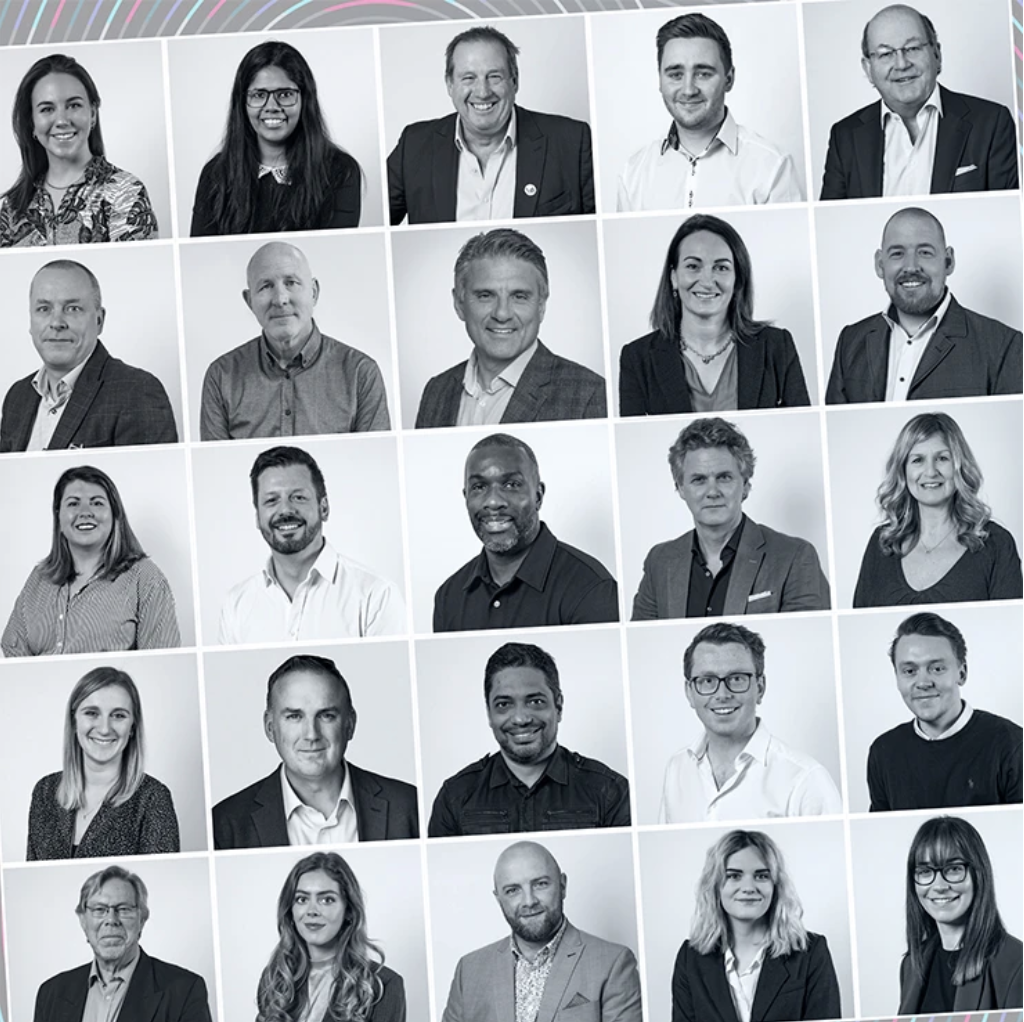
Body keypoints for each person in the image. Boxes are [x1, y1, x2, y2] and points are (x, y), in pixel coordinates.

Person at [387, 26, 594, 225]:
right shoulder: (413, 145)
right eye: (468, 78)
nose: (483, 91)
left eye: (494, 76)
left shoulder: (573, 143)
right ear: (450, 85)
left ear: (514, 82)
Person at [213, 654, 418, 849]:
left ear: (350, 724)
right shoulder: (225, 824)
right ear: (269, 728)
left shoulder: (409, 806)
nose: (311, 735)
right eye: (294, 716)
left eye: (326, 715)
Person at [632, 418, 830, 620]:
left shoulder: (795, 557)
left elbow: (802, 640)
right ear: (681, 488)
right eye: (699, 480)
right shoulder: (659, 561)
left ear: (745, 485)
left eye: (724, 477)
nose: (712, 492)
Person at [429, 642, 630, 836]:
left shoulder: (609, 791)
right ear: (489, 714)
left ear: (558, 706)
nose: (521, 719)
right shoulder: (455, 795)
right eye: (503, 704)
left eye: (535, 701)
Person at [820, 5, 1019, 200]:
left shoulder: (992, 122)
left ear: (937, 55)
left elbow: (1010, 216)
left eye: (913, 48)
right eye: (886, 54)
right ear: (868, 68)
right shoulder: (844, 136)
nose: (902, 64)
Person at [825, 208, 1022, 403]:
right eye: (897, 253)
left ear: (948, 261)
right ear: (879, 264)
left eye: (925, 252)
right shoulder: (850, 340)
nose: (911, 266)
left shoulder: (1004, 346)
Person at [415, 228, 606, 428]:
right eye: (485, 296)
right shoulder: (435, 390)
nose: (502, 314)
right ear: (459, 304)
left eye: (519, 297)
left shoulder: (589, 393)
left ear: (541, 305)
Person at [620, 215, 810, 415]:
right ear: (674, 277)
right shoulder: (637, 358)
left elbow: (803, 429)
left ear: (737, 279)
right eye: (693, 266)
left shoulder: (777, 346)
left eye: (721, 268)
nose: (708, 280)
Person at [200, 241, 389, 440]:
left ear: (314, 292)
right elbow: (217, 469)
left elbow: (372, 465)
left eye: (291, 283)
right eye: (265, 286)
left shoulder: (361, 374)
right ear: (249, 302)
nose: (280, 299)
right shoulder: (221, 376)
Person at [218, 446, 406, 644]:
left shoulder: (375, 596)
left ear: (323, 508)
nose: (285, 510)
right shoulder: (235, 604)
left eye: (298, 497)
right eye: (271, 500)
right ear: (257, 517)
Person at [433, 433, 619, 631]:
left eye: (511, 485)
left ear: (538, 496)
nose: (493, 502)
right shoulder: (448, 597)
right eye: (479, 487)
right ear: (466, 498)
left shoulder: (591, 588)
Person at [617, 14, 802, 213]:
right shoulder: (633, 172)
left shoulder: (773, 167)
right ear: (660, 80)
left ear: (729, 79)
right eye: (675, 75)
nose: (688, 90)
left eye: (703, 74)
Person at [441, 840, 642, 1022]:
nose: (529, 901)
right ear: (498, 898)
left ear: (563, 886)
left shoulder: (613, 963)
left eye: (540, 884)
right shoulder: (468, 970)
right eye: (513, 890)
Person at [661, 623, 841, 825]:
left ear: (760, 688)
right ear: (689, 692)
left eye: (736, 678)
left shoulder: (806, 780)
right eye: (708, 681)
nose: (722, 695)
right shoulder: (676, 769)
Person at [2, 465, 180, 657]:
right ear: (58, 517)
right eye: (73, 503)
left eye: (97, 503)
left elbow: (161, 663)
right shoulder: (39, 578)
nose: (85, 512)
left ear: (115, 515)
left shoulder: (145, 579)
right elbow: (12, 654)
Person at [1, 259, 177, 452]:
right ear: (31, 320)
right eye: (44, 309)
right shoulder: (17, 397)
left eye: (73, 309)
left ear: (99, 320)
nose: (56, 323)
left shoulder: (137, 391)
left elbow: (146, 481)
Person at [190, 40, 361, 236]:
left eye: (285, 94)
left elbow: (330, 255)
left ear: (305, 100)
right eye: (259, 95)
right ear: (243, 102)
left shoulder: (340, 171)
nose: (272, 106)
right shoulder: (215, 174)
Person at [853, 412, 1022, 607]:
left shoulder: (996, 544)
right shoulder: (882, 542)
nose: (931, 472)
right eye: (918, 460)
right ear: (903, 470)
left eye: (942, 458)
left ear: (959, 466)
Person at [672, 830, 842, 1021]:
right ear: (715, 885)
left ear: (776, 885)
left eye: (761, 876)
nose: (749, 887)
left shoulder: (810, 952)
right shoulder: (690, 959)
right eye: (734, 876)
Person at [868, 612, 1022, 811]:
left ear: (962, 673)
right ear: (897, 677)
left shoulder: (1012, 744)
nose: (923, 683)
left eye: (937, 668)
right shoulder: (883, 751)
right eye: (909, 671)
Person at [0, 53, 158, 247]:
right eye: (47, 109)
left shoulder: (124, 192)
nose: (62, 121)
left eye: (74, 105)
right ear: (31, 122)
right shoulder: (12, 207)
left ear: (92, 113)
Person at [27, 666, 179, 860]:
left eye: (118, 715)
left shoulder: (153, 799)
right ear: (74, 722)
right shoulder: (45, 792)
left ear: (132, 727)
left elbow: (159, 882)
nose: (105, 729)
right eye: (92, 713)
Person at [32, 864, 212, 1022]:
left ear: (142, 919)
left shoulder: (185, 990)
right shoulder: (51, 994)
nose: (111, 920)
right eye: (99, 909)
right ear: (83, 921)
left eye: (123, 909)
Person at [256, 852, 406, 1022]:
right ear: (290, 911)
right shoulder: (275, 980)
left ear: (348, 910)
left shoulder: (383, 985)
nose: (312, 910)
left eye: (327, 900)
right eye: (301, 899)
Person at [898, 816, 1022, 1012]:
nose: (939, 886)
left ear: (979, 875)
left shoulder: (1016, 963)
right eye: (925, 871)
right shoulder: (911, 965)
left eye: (954, 869)